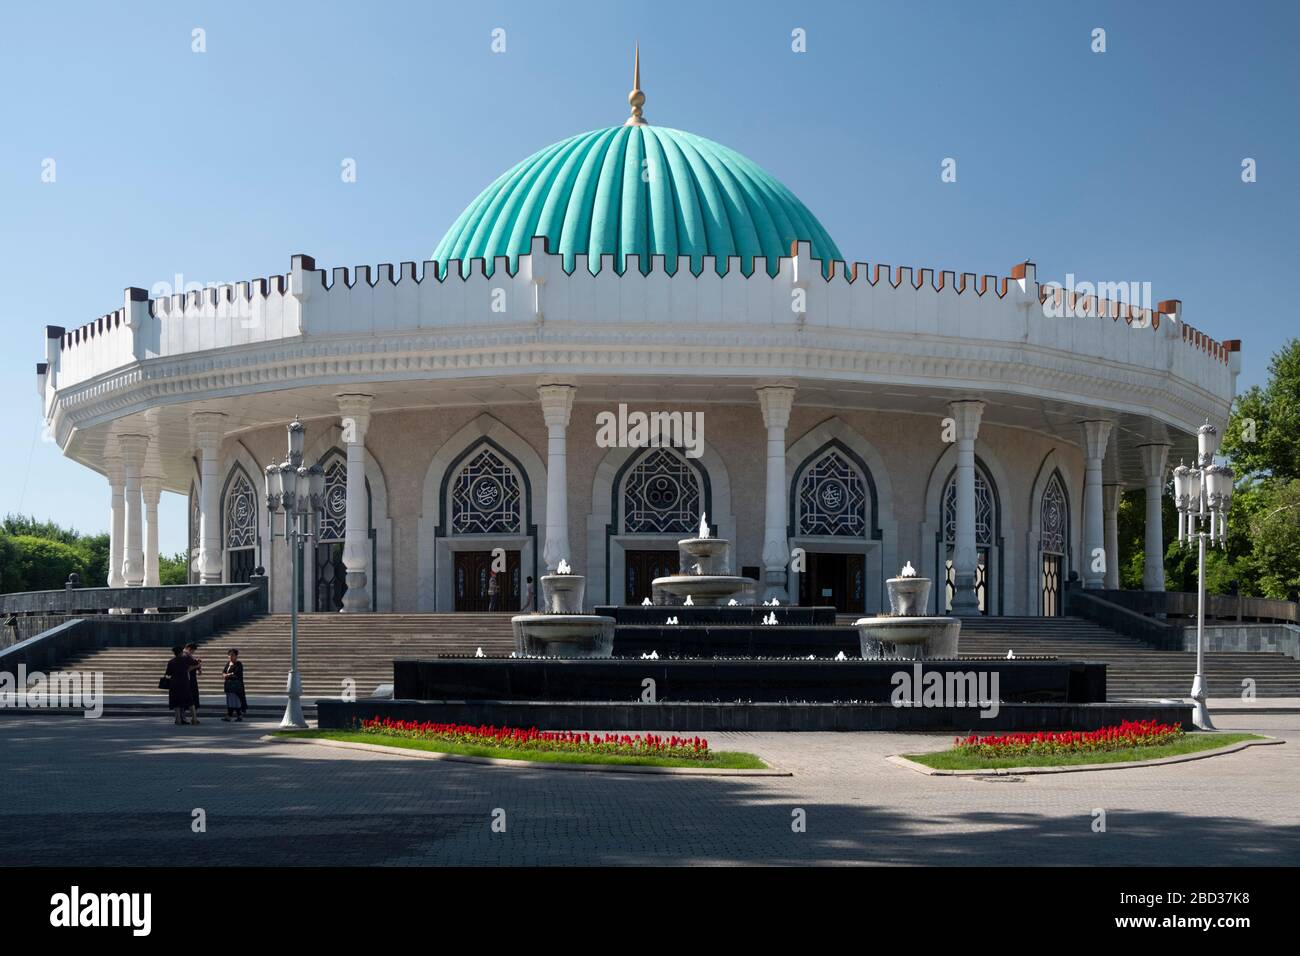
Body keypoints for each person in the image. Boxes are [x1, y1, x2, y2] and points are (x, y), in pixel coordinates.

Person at [163, 646, 195, 726]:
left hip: (174, 684)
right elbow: (195, 663)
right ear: (181, 652)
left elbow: (168, 673)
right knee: (190, 701)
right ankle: (194, 719)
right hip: (184, 683)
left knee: (176, 702)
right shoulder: (186, 659)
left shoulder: (171, 661)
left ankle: (178, 720)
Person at [221, 649, 245, 722]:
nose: (231, 656)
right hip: (229, 686)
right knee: (230, 701)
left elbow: (236, 674)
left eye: (232, 655)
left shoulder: (238, 664)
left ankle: (239, 715)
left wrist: (227, 675)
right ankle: (229, 715)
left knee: (236, 701)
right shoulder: (228, 663)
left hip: (236, 686)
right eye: (229, 655)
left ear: (236, 656)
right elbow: (224, 672)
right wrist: (226, 674)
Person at [183, 643, 202, 725]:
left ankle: (192, 718)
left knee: (194, 698)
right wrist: (197, 665)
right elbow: (187, 669)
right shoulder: (185, 656)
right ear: (189, 648)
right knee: (190, 699)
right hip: (188, 680)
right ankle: (188, 718)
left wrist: (198, 666)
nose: (193, 652)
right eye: (192, 650)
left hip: (192, 680)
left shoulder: (190, 656)